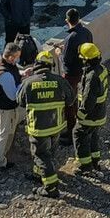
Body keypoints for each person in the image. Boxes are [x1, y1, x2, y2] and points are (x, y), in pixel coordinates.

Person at [17, 50, 75, 198]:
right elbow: (71, 100)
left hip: (38, 128)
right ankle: (40, 174)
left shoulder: (29, 82)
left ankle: (51, 188)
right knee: (49, 152)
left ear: (36, 64)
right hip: (56, 126)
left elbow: (20, 101)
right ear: (51, 65)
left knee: (41, 155)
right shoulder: (60, 81)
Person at [57, 8, 93, 146]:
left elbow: (65, 60)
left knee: (70, 103)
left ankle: (71, 131)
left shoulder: (70, 38)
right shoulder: (87, 33)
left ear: (67, 21)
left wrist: (60, 52)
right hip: (84, 72)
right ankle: (82, 126)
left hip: (71, 75)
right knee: (82, 100)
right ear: (79, 19)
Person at [0, 42, 25, 170]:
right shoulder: (6, 76)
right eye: (17, 57)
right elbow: (14, 95)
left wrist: (22, 73)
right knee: (5, 132)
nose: (18, 59)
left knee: (1, 128)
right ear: (10, 57)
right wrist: (24, 84)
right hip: (6, 107)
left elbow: (13, 73)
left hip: (0, 105)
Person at [72, 42, 109, 174]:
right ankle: (95, 160)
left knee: (79, 134)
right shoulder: (102, 69)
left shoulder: (91, 76)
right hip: (100, 112)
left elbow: (88, 100)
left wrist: (80, 115)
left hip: (90, 115)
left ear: (86, 59)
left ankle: (85, 166)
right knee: (92, 135)